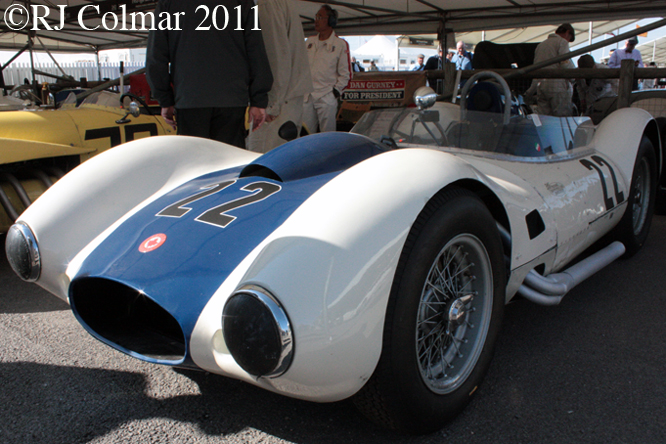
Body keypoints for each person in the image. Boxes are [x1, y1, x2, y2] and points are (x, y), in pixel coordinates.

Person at [146, 0, 272, 148]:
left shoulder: (168, 4)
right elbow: (256, 51)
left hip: (190, 98)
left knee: (194, 163)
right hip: (231, 98)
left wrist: (165, 99)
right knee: (228, 162)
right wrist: (258, 100)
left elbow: (156, 57)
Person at [247, 0, 313, 153]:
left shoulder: (266, 5)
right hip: (286, 97)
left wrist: (271, 105)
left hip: (278, 101)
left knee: (262, 164)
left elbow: (276, 56)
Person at [302, 4, 352, 133]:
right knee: (305, 134)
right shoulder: (309, 42)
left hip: (326, 96)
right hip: (307, 96)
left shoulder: (340, 44)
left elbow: (346, 74)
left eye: (320, 17)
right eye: (316, 17)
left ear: (330, 21)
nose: (316, 20)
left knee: (327, 135)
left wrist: (335, 92)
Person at [527, 23, 576, 116]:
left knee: (544, 117)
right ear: (567, 32)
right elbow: (565, 64)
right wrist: (573, 78)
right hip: (558, 86)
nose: (568, 41)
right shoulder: (562, 42)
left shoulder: (541, 45)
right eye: (569, 39)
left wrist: (530, 91)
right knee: (561, 117)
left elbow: (536, 67)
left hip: (541, 86)